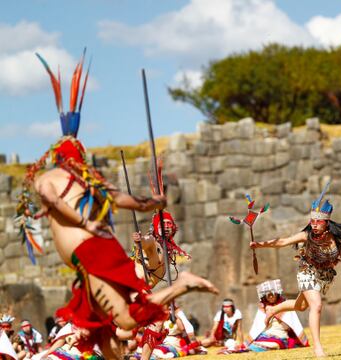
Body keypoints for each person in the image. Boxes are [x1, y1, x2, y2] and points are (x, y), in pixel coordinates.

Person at [17, 51, 218, 359]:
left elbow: (54, 201)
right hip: (89, 258)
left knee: (124, 319)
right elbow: (125, 200)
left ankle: (183, 285)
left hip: (91, 253)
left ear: (57, 155)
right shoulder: (90, 180)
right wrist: (151, 202)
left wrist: (85, 223)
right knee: (104, 332)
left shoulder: (50, 178)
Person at [250, 181, 341, 357]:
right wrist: (259, 245)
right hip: (306, 272)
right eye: (312, 221)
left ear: (326, 223)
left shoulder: (335, 237)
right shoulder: (306, 235)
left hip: (323, 275)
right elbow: (282, 242)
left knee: (301, 306)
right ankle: (318, 348)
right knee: (316, 305)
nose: (314, 225)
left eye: (318, 222)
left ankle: (273, 309)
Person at [246, 279, 309, 352]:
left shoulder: (285, 305)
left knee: (268, 345)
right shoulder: (262, 307)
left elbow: (289, 327)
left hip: (280, 336)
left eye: (272, 294)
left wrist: (277, 314)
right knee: (254, 344)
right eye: (268, 295)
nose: (271, 297)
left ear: (277, 293)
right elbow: (258, 327)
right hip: (264, 336)